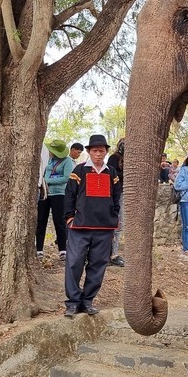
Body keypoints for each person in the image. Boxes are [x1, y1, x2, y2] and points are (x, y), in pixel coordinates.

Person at [63, 134, 122, 317]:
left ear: (106, 152)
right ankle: (73, 302)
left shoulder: (111, 173)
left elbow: (116, 197)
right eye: (95, 151)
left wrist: (112, 217)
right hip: (79, 227)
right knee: (74, 264)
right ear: (89, 152)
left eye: (101, 151)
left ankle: (87, 301)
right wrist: (69, 219)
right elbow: (69, 196)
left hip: (104, 229)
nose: (98, 154)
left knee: (98, 265)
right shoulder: (79, 171)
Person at [36, 139, 75, 261]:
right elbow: (44, 174)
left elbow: (66, 177)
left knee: (59, 221)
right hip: (45, 194)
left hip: (59, 194)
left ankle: (63, 250)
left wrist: (48, 181)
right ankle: (39, 250)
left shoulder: (67, 161)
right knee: (41, 221)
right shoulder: (49, 160)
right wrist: (43, 182)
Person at [107, 138, 125, 267]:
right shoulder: (114, 158)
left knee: (120, 226)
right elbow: (111, 175)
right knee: (115, 224)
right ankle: (110, 254)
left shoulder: (131, 158)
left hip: (125, 194)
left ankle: (114, 252)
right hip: (114, 194)